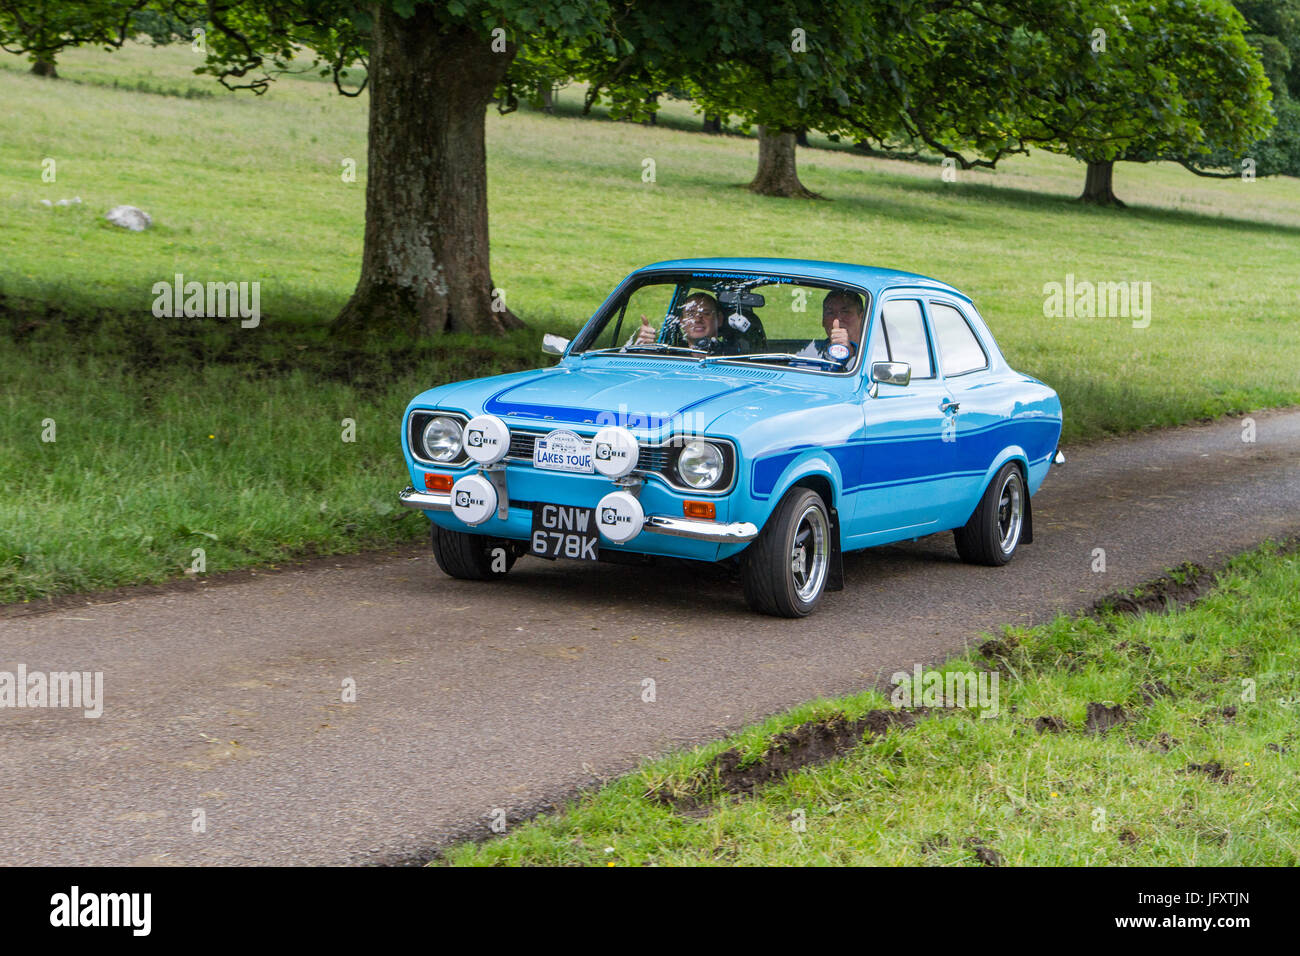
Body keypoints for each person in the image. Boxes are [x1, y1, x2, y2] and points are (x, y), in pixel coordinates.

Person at [634, 292, 726, 351]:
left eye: (706, 313)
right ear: (681, 321)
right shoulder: (669, 354)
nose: (697, 319)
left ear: (719, 319)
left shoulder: (733, 356)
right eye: (690, 314)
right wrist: (644, 347)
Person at [797, 289, 866, 365]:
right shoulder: (813, 352)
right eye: (830, 313)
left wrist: (851, 355)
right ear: (823, 321)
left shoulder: (874, 352)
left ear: (862, 318)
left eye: (845, 312)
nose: (837, 319)